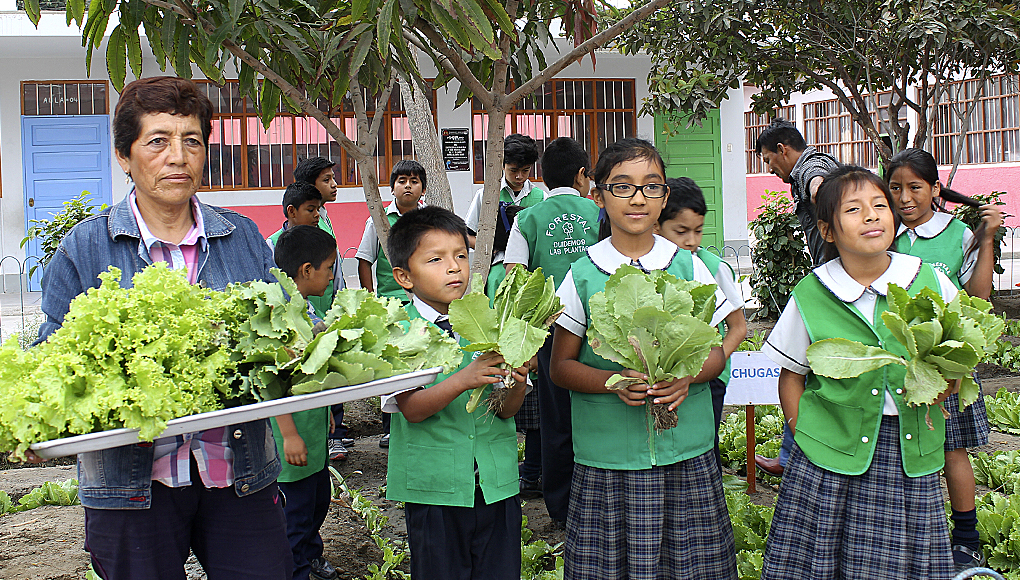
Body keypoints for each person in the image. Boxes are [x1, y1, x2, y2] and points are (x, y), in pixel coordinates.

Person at [33, 76, 291, 579]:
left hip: (237, 474)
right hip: (130, 487)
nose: (178, 157)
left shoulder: (242, 237)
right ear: (124, 157)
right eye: (158, 141)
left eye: (191, 141)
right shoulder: (86, 248)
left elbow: (284, 332)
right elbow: (52, 354)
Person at [549, 138, 738, 579]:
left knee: (689, 564)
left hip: (685, 451)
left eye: (651, 187)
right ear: (597, 195)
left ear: (664, 197)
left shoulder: (689, 267)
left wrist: (687, 379)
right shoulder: (583, 273)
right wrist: (610, 382)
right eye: (622, 187)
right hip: (608, 455)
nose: (638, 197)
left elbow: (714, 353)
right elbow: (561, 367)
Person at [760, 165, 957, 579]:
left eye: (879, 205)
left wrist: (946, 385)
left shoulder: (929, 283)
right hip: (827, 456)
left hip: (908, 453)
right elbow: (791, 375)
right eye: (854, 209)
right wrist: (805, 435)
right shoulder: (813, 293)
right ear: (827, 231)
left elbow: (955, 358)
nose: (871, 216)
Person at [381, 206, 531, 580]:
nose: (454, 268)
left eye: (461, 256)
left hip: (495, 484)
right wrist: (466, 377)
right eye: (436, 259)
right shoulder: (399, 330)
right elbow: (412, 409)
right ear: (404, 277)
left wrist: (518, 382)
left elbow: (506, 410)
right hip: (434, 491)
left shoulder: (488, 319)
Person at [886, 148, 1004, 572]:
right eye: (895, 188)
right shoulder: (886, 234)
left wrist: (986, 238)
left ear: (935, 189)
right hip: (896, 367)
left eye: (915, 187)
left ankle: (967, 539)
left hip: (946, 367)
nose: (904, 198)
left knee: (954, 452)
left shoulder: (959, 235)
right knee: (898, 450)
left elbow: (978, 297)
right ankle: (906, 532)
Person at [503, 136, 600, 523]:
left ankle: (562, 510)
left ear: (542, 178)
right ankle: (597, 501)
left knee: (556, 421)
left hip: (549, 337)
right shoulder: (599, 215)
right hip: (596, 337)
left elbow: (513, 278)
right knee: (596, 413)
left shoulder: (528, 218)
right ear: (582, 176)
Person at [754, 118, 840, 477]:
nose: (770, 169)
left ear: (783, 150)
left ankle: (796, 456)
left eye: (768, 161)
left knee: (801, 368)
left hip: (834, 285)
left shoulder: (810, 167)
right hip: (835, 280)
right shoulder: (826, 161)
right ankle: (792, 454)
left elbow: (819, 187)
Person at [657, 177, 748, 465]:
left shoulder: (713, 267)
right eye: (681, 231)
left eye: (698, 231)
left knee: (703, 447)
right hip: (664, 380)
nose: (692, 241)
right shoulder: (648, 267)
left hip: (709, 380)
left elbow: (738, 328)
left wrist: (709, 366)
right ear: (656, 225)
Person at [270, 226, 341, 580]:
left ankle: (312, 556)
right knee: (294, 514)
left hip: (312, 429)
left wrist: (326, 410)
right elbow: (274, 382)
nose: (332, 276)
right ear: (307, 270)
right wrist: (288, 434)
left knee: (316, 502)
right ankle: (296, 568)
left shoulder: (303, 306)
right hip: (292, 440)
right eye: (329, 268)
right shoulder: (280, 315)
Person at [356, 159, 427, 448]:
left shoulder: (431, 220)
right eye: (402, 181)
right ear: (392, 186)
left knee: (423, 360)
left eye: (414, 180)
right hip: (391, 305)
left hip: (425, 305)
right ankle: (390, 426)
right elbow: (364, 260)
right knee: (393, 364)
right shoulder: (378, 220)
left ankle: (422, 416)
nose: (407, 185)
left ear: (423, 188)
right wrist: (372, 298)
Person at [294, 157, 351, 461]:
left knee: (331, 368)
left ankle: (335, 431)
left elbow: (336, 268)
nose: (335, 185)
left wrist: (339, 299)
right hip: (303, 318)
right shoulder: (285, 240)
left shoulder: (325, 218)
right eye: (327, 179)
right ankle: (320, 436)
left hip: (326, 310)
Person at [465, 134, 546, 297]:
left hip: (532, 272)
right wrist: (490, 248)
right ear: (502, 165)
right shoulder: (486, 196)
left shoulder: (542, 198)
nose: (519, 177)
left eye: (525, 170)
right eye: (513, 170)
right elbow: (467, 236)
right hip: (497, 271)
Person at [267, 182, 323, 252]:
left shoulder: (324, 241)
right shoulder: (272, 245)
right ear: (291, 211)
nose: (317, 214)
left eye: (318, 210)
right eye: (311, 210)